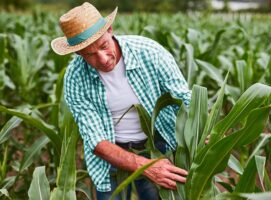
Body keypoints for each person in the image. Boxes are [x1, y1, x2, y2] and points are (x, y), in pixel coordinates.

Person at [51, 2, 191, 200]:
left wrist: (201, 130)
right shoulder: (75, 78)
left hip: (156, 145)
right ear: (77, 53)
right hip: (110, 153)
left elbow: (185, 99)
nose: (103, 59)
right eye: (90, 54)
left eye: (104, 46)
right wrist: (145, 167)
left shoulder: (149, 53)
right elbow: (96, 139)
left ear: (109, 30)